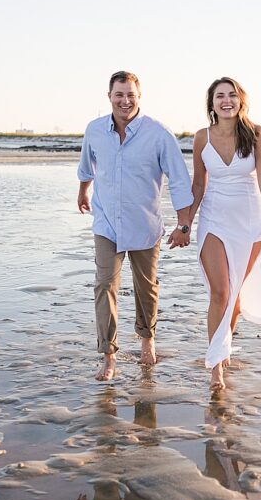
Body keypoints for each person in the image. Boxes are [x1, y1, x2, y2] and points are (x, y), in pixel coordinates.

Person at [186, 77, 261, 390]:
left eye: (232, 95)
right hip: (214, 219)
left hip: (251, 222)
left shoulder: (255, 134)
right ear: (211, 103)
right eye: (219, 96)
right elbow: (199, 184)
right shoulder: (201, 137)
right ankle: (215, 366)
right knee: (221, 292)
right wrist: (185, 223)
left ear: (241, 100)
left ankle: (222, 346)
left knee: (235, 296)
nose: (226, 101)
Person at [77, 71, 193, 381]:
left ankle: (147, 340)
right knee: (105, 285)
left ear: (139, 98)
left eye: (131, 95)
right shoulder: (95, 130)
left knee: (146, 288)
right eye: (119, 94)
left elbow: (179, 180)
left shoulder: (158, 134)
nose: (125, 100)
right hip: (106, 224)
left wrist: (184, 224)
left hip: (144, 224)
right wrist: (82, 192)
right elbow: (87, 167)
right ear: (109, 96)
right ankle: (109, 356)